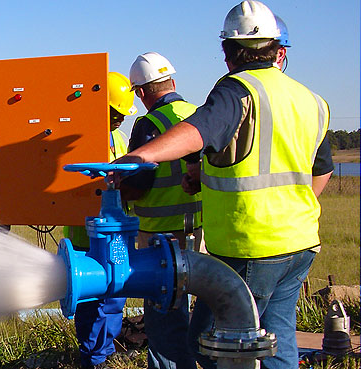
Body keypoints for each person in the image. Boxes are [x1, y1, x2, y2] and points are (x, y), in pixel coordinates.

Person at [112, 1, 333, 367]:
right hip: (301, 243)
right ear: (279, 51)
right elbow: (319, 169)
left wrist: (139, 157)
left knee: (211, 343)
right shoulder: (311, 100)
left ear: (227, 53)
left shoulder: (237, 89)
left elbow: (198, 132)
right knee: (277, 338)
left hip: (252, 245)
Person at [121, 51, 202, 369]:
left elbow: (139, 182)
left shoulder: (148, 124)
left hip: (159, 236)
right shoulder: (196, 113)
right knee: (190, 304)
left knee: (163, 315)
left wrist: (113, 189)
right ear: (172, 81)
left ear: (140, 92)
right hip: (197, 228)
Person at [67, 71, 137, 369]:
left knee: (114, 300)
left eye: (122, 115)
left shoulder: (119, 140)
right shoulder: (77, 139)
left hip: (116, 237)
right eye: (115, 113)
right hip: (86, 238)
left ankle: (103, 355)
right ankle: (93, 358)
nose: (120, 121)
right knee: (89, 304)